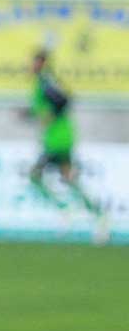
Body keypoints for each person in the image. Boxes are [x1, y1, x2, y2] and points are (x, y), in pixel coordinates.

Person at [22, 50, 106, 237]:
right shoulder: (43, 83)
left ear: (42, 63)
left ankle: (65, 209)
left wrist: (50, 115)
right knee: (68, 178)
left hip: (57, 139)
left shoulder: (46, 83)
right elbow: (46, 109)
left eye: (35, 62)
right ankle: (99, 215)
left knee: (35, 175)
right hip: (58, 138)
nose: (32, 66)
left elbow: (63, 101)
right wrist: (27, 114)